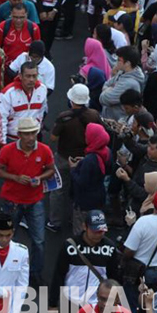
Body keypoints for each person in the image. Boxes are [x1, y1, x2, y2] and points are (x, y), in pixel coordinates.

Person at [48, 210, 121, 313]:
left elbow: (115, 278)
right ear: (84, 226)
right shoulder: (69, 246)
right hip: (71, 298)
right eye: (95, 231)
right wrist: (52, 304)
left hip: (97, 301)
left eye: (102, 230)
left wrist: (116, 302)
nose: (99, 234)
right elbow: (58, 275)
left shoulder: (110, 248)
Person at [0, 117, 55, 286]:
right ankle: (5, 271)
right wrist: (15, 178)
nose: (30, 138)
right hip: (12, 201)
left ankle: (34, 273)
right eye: (26, 134)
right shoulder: (7, 150)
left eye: (33, 133)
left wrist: (39, 178)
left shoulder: (45, 150)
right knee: (6, 238)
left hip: (35, 201)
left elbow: (50, 170)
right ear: (19, 134)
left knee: (39, 241)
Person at [48, 83, 102, 233]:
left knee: (58, 188)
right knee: (79, 188)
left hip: (64, 157)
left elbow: (53, 137)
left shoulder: (64, 117)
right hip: (85, 159)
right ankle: (75, 218)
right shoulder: (94, 115)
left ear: (71, 100)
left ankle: (55, 221)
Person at [68, 123, 111, 233]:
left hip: (84, 201)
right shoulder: (106, 151)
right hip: (99, 196)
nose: (85, 136)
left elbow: (81, 182)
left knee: (80, 230)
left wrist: (73, 168)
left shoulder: (89, 160)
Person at [0, 62, 48, 147]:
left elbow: (41, 112)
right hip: (12, 140)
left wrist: (36, 129)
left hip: (32, 139)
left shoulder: (42, 89)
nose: (31, 79)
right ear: (20, 76)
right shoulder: (7, 93)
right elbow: (1, 120)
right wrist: (2, 144)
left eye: (34, 76)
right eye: (28, 76)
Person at [99, 46, 145, 122]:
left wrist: (109, 89)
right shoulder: (122, 72)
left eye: (119, 60)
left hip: (116, 121)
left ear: (127, 63)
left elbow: (104, 99)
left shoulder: (129, 84)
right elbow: (106, 84)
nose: (116, 62)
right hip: (110, 116)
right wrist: (110, 89)